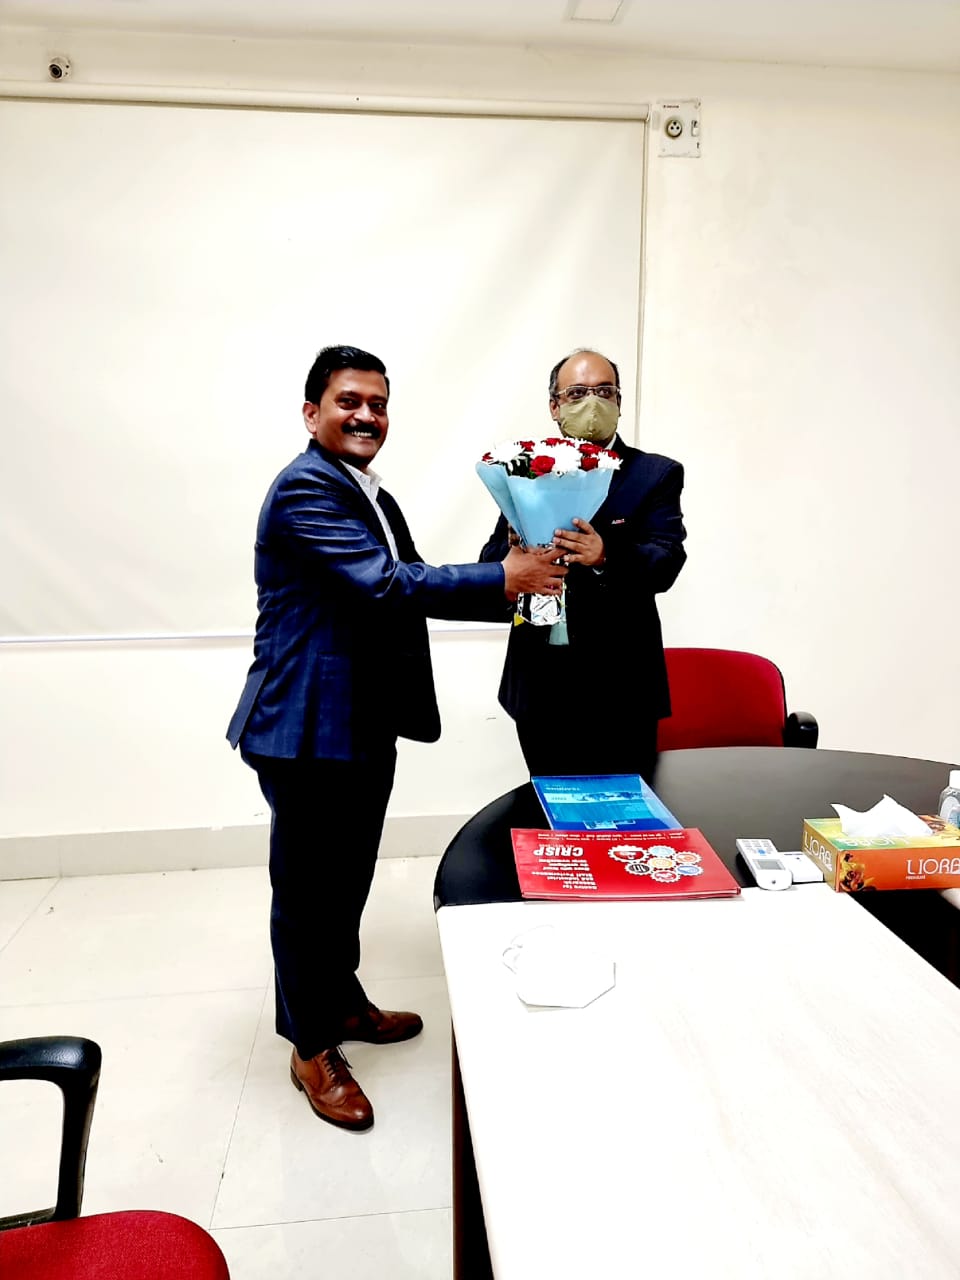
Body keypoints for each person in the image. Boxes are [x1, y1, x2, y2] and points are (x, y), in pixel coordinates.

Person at [227, 345, 566, 1132]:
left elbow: (414, 582)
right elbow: (384, 584)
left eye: (377, 404)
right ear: (311, 413)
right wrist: (504, 577)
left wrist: (523, 584)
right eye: (348, 401)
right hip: (305, 728)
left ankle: (341, 1003)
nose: (366, 415)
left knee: (344, 883)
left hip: (359, 721)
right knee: (307, 897)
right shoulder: (306, 489)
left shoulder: (366, 492)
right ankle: (309, 1046)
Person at [479, 347, 686, 781]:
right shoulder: (525, 471)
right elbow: (491, 563)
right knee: (551, 809)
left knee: (625, 812)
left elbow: (666, 561)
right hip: (539, 684)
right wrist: (515, 550)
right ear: (554, 406)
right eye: (577, 393)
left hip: (623, 687)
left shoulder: (654, 474)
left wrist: (606, 555)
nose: (592, 402)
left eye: (604, 391)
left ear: (619, 402)